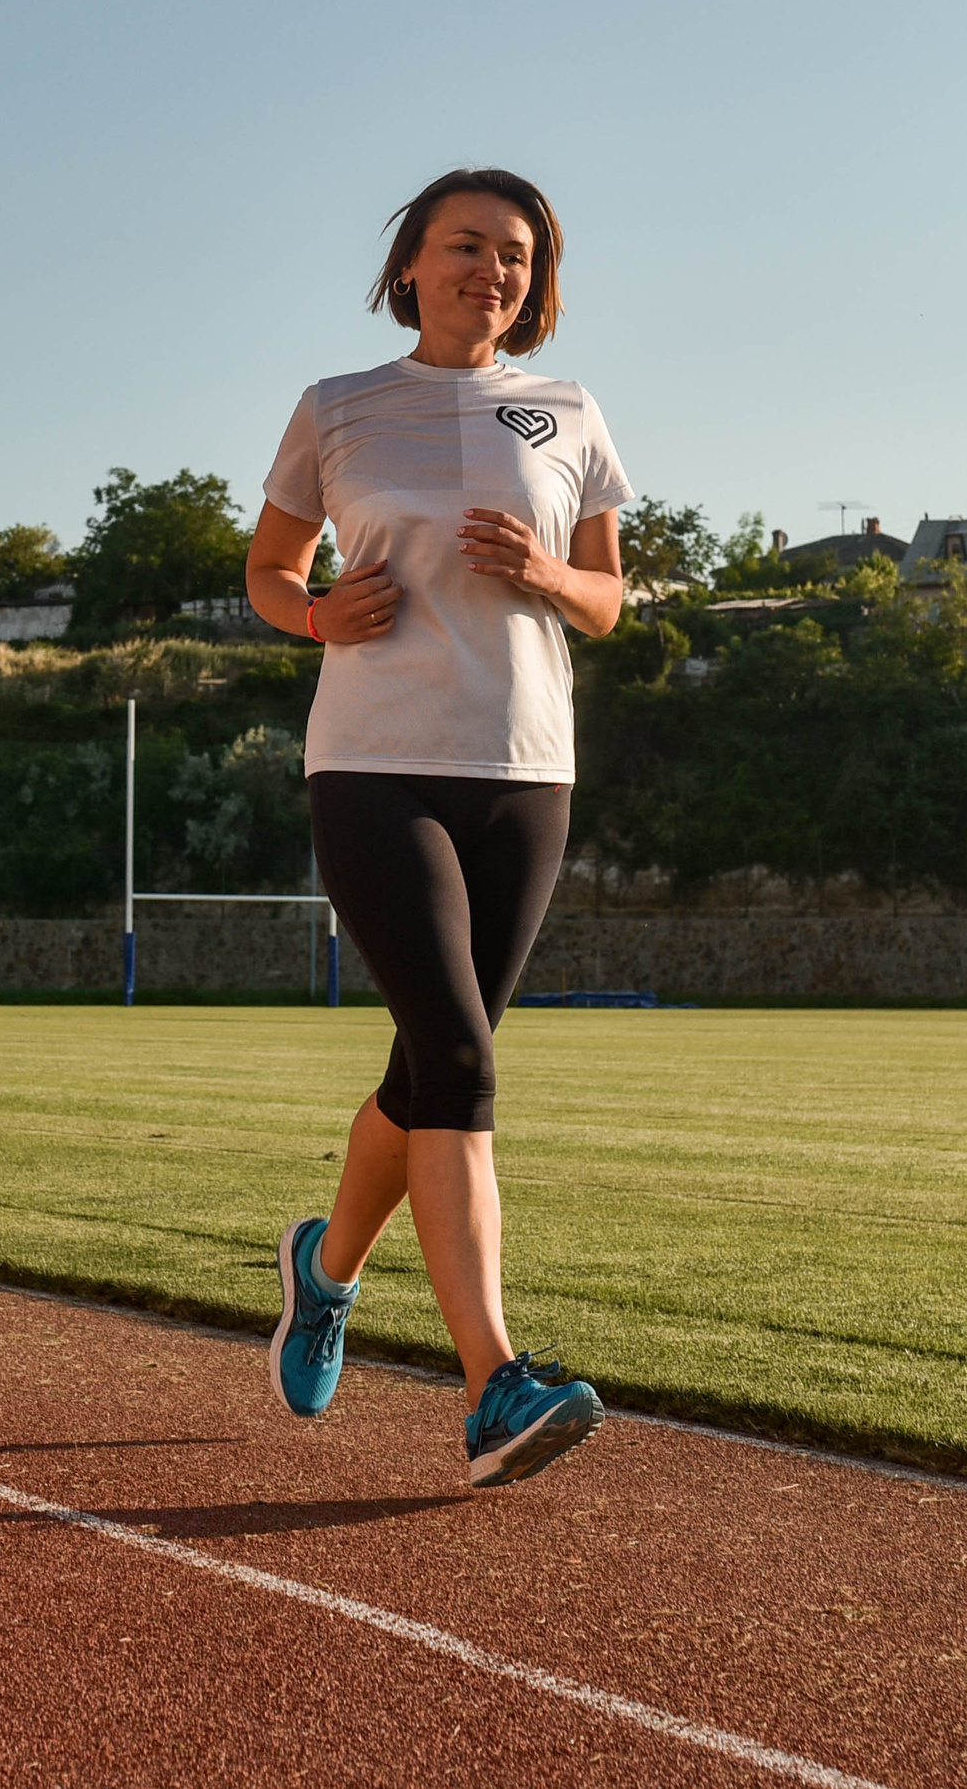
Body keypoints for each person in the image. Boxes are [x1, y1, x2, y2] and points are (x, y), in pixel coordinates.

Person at [245, 167, 630, 1489]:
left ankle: (325, 1266)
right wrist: (310, 615)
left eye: (517, 252)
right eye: (467, 243)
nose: (494, 267)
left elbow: (609, 601)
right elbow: (269, 566)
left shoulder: (570, 409)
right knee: (461, 1057)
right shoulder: (339, 406)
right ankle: (493, 1387)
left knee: (433, 1065)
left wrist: (545, 571)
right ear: (409, 260)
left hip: (525, 767)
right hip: (373, 761)